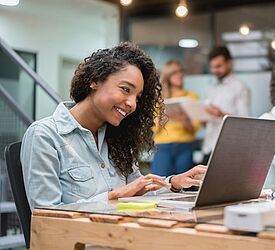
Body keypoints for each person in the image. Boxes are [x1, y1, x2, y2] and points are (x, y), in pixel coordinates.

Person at [21, 42, 206, 210]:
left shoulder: (117, 138)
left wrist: (174, 182)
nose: (132, 104)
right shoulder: (45, 136)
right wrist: (114, 196)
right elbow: (45, 215)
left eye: (137, 97)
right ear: (94, 80)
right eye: (126, 89)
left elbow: (139, 188)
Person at [202, 46, 251, 164]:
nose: (215, 70)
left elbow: (246, 121)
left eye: (218, 66)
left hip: (226, 150)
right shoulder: (212, 88)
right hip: (208, 147)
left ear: (229, 63)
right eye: (212, 67)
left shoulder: (240, 87)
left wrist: (221, 114)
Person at [151, 60, 200, 176]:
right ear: (168, 75)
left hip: (185, 146)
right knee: (160, 186)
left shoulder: (191, 96)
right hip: (163, 147)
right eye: (175, 72)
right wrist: (165, 115)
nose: (180, 75)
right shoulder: (159, 99)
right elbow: (154, 128)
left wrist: (183, 119)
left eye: (181, 71)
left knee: (184, 186)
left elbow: (195, 128)